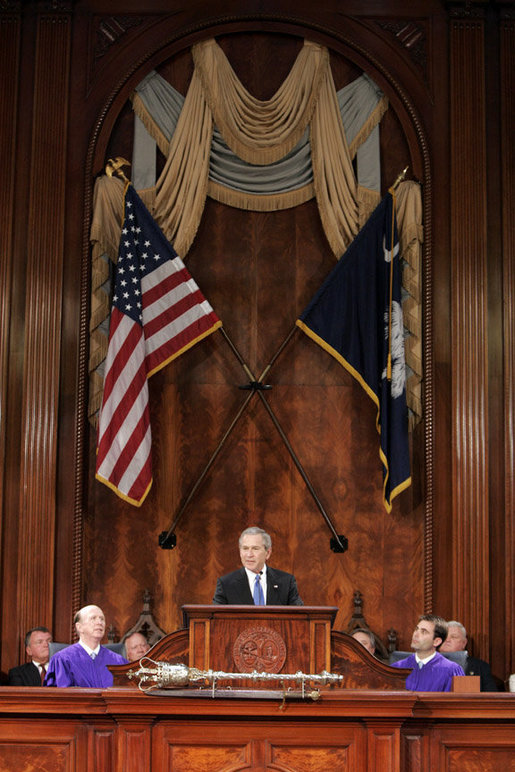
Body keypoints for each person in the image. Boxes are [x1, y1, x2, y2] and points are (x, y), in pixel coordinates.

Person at [213, 526, 303, 606]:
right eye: (245, 548)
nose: (249, 554)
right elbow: (216, 621)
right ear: (240, 552)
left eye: (255, 549)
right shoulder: (226, 584)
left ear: (268, 553)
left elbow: (300, 617)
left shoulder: (286, 582)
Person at [44, 604, 127, 687]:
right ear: (79, 627)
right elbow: (57, 696)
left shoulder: (118, 661)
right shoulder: (62, 660)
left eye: (102, 619)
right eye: (93, 618)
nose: (99, 622)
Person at [391, 614, 465, 691]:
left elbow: (459, 701)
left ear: (436, 641)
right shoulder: (396, 668)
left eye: (423, 632)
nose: (415, 634)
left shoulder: (452, 671)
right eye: (416, 629)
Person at [439, 620, 498, 691]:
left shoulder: (480, 667)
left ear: (464, 643)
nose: (447, 640)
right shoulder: (426, 664)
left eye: (453, 637)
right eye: (444, 636)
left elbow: (491, 696)